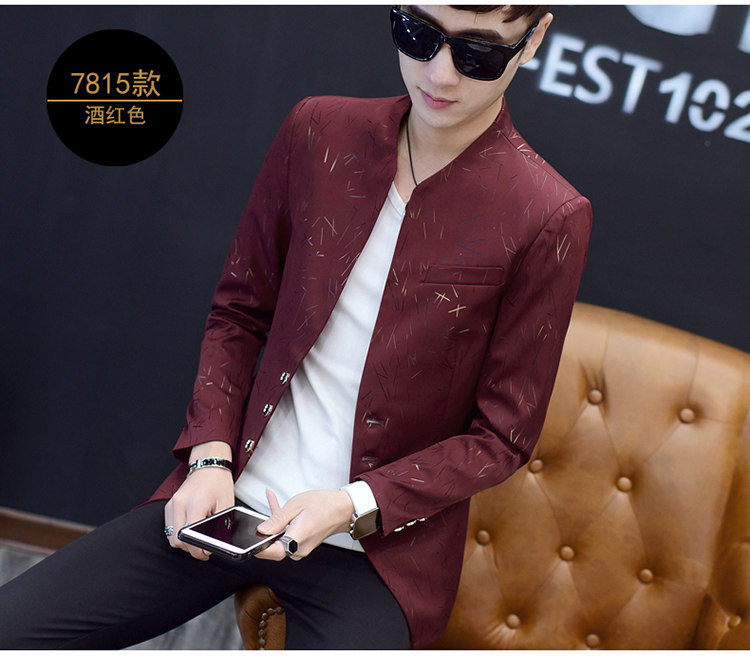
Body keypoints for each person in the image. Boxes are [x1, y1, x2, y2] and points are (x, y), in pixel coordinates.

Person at [0, 4, 592, 650]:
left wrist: (353, 503)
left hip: (371, 554)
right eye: (418, 35)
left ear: (533, 39)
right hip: (226, 498)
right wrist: (209, 455)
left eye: (478, 54)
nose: (440, 74)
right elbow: (239, 309)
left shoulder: (547, 213)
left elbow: (501, 437)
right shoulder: (319, 131)